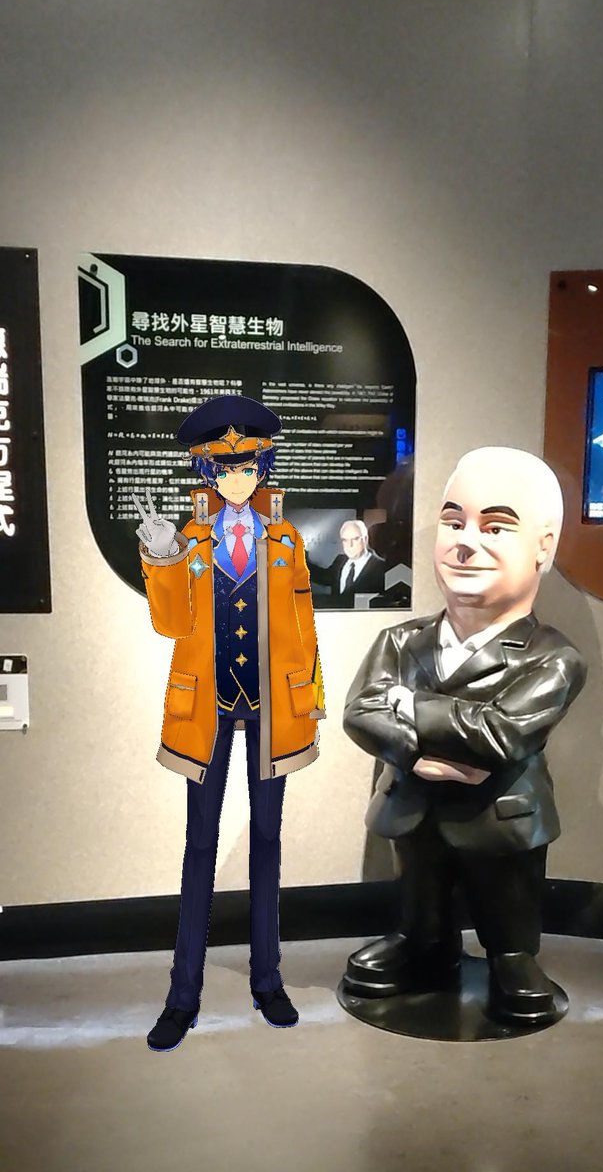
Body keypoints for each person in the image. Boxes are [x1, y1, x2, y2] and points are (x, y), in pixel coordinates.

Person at [341, 447, 587, 1025]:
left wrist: (407, 705)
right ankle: (421, 942)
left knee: (508, 895)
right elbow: (361, 713)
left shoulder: (553, 658)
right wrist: (416, 753)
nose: (465, 542)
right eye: (453, 523)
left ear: (543, 546)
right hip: (411, 805)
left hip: (502, 816)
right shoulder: (400, 641)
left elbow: (501, 736)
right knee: (418, 887)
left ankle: (513, 956)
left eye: (495, 527)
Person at [133, 395, 325, 1052]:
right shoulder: (190, 541)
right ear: (207, 471)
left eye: (248, 466)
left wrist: (310, 696)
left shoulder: (285, 538)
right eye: (225, 467)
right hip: (207, 706)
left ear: (263, 467)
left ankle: (267, 981)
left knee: (267, 841)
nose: (238, 478)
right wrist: (161, 557)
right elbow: (171, 624)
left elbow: (304, 626)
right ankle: (182, 996)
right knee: (200, 845)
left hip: (272, 707)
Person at [309, 518, 386, 606]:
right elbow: (323, 577)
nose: (350, 545)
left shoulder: (382, 568)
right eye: (345, 540)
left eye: (355, 539)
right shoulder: (340, 561)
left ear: (365, 539)